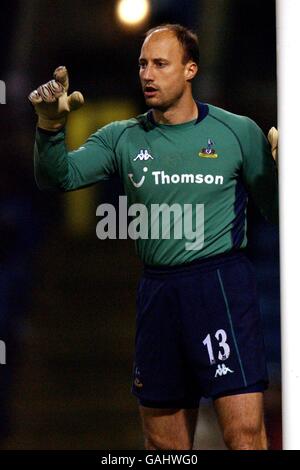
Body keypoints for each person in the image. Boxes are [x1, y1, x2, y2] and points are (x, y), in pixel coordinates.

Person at [29, 24, 278, 450]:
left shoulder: (239, 132)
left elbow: (275, 212)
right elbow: (59, 177)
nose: (147, 73)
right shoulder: (122, 137)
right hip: (159, 293)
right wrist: (50, 128)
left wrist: (283, 177)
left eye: (161, 64)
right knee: (165, 449)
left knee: (243, 436)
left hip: (219, 286)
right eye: (143, 63)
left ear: (190, 69)